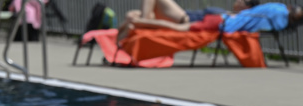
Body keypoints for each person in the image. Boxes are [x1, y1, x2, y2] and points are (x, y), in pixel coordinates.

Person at [118, 1, 303, 41]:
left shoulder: (278, 16)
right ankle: (140, 22)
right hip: (220, 20)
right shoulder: (278, 17)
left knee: (178, 27)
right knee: (132, 16)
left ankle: (141, 22)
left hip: (219, 22)